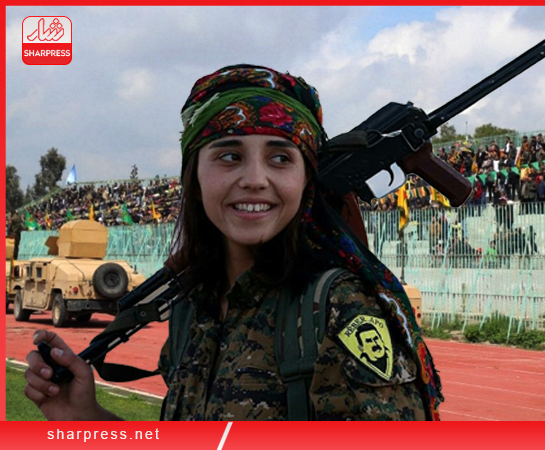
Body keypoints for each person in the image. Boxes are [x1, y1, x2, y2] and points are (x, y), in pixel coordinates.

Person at [24, 65, 442, 421]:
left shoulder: (340, 309)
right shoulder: (193, 306)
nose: (255, 179)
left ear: (305, 179)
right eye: (229, 156)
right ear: (195, 177)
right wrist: (86, 418)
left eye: (280, 157)